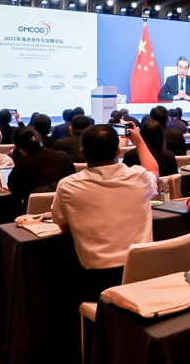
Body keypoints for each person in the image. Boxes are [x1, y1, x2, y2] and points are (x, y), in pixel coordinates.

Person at [51, 123, 158, 300]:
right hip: (142, 273)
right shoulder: (140, 176)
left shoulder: (68, 185)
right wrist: (138, 141)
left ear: (82, 152)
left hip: (96, 280)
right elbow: (153, 170)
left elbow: (65, 227)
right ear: (118, 151)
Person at [8, 127, 75, 215]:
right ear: (39, 139)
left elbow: (14, 189)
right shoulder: (63, 157)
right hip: (64, 211)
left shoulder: (23, 163)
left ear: (20, 148)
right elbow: (72, 183)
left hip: (33, 216)